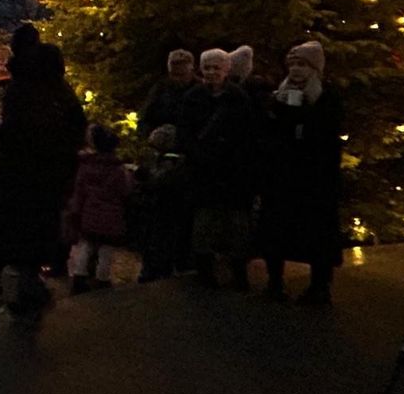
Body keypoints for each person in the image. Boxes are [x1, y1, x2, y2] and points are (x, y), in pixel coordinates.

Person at [0, 24, 88, 321]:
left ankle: (20, 284)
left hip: (21, 173)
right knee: (39, 228)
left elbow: (15, 131)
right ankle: (28, 284)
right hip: (49, 173)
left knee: (21, 229)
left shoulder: (20, 88)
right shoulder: (58, 92)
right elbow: (75, 127)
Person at [258, 41, 343, 305]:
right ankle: (274, 281)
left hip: (314, 178)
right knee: (276, 230)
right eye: (292, 64)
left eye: (302, 64)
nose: (295, 70)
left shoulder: (326, 97)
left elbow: (327, 136)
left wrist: (305, 115)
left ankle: (319, 286)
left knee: (317, 232)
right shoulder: (278, 96)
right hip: (282, 176)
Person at [177, 48, 255, 289]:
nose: (211, 72)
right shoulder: (193, 98)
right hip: (204, 169)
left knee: (235, 224)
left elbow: (246, 134)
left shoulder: (239, 98)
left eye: (216, 68)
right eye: (207, 68)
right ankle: (205, 271)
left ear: (227, 69)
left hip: (232, 170)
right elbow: (185, 132)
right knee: (205, 222)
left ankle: (238, 272)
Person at [65, 124, 133, 295]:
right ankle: (102, 278)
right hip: (112, 215)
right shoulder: (117, 170)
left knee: (86, 245)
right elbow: (125, 190)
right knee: (106, 249)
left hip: (89, 212)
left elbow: (79, 190)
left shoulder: (87, 166)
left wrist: (76, 210)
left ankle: (79, 276)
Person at [134, 124, 191, 282]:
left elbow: (161, 180)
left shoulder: (170, 161)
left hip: (163, 205)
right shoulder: (169, 159)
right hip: (161, 205)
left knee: (159, 239)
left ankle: (156, 269)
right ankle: (156, 268)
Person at [138, 49, 196, 137]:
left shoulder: (201, 90)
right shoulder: (160, 88)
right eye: (174, 74)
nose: (177, 79)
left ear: (191, 70)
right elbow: (145, 117)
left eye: (182, 75)